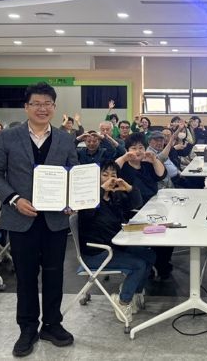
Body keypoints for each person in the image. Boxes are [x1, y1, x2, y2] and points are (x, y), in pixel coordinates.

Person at [0, 82, 78, 357]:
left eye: (47, 103)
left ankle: (52, 324)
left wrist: (72, 200)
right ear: (26, 107)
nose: (42, 108)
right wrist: (14, 199)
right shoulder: (8, 137)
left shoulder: (65, 138)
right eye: (36, 103)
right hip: (20, 218)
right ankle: (27, 328)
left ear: (54, 107)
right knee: (25, 277)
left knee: (54, 274)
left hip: (55, 220)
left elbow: (74, 173)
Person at [77, 161, 155, 324]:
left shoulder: (115, 197)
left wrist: (129, 188)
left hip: (116, 246)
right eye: (105, 175)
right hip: (97, 253)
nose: (110, 179)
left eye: (113, 175)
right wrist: (101, 190)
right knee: (139, 265)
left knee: (149, 256)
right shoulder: (89, 199)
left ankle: (134, 292)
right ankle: (123, 301)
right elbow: (87, 215)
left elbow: (136, 203)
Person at [116, 133, 170, 278]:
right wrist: (124, 158)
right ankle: (156, 266)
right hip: (135, 212)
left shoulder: (147, 165)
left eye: (141, 147)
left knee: (169, 233)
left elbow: (161, 175)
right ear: (127, 150)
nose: (138, 151)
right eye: (133, 148)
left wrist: (154, 160)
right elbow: (111, 170)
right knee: (164, 232)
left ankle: (161, 265)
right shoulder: (123, 168)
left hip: (154, 207)